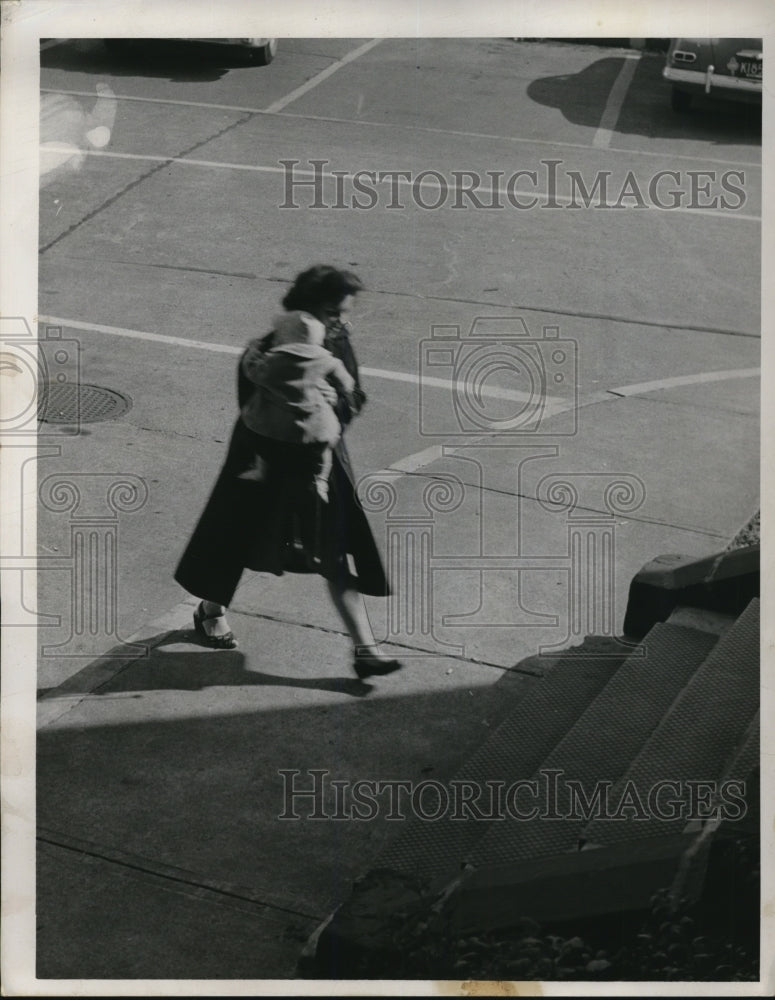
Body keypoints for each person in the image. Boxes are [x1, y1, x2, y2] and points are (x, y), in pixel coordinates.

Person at [174, 265, 402, 681]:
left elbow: (355, 394)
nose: (342, 320)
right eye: (336, 312)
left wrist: (331, 408)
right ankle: (209, 609)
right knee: (239, 540)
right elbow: (249, 410)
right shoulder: (263, 353)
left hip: (319, 457)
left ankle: (366, 649)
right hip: (263, 460)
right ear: (312, 309)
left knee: (332, 551)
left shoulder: (335, 341)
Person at [238, 309, 355, 502]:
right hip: (316, 428)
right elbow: (347, 385)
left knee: (259, 442)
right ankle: (321, 480)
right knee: (325, 451)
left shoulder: (273, 362)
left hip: (274, 427)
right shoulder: (328, 360)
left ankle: (261, 469)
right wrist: (333, 390)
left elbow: (252, 372)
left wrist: (252, 352)